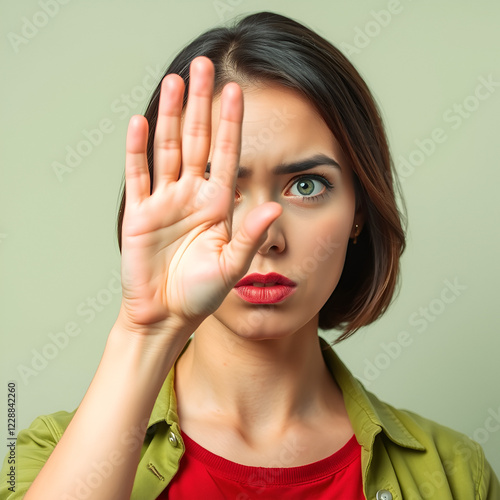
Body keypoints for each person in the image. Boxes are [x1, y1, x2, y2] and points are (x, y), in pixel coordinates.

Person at [1, 11, 498, 500]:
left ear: (359, 212)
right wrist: (146, 333)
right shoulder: (50, 456)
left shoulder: (454, 476)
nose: (264, 236)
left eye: (306, 185)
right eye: (222, 189)